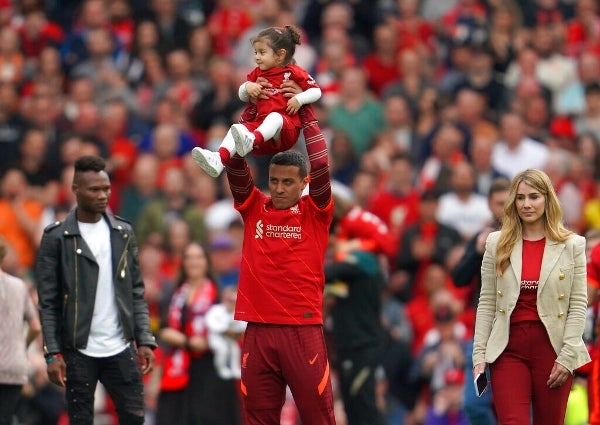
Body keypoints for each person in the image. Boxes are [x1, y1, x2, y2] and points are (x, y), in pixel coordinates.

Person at [221, 101, 336, 424]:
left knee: (319, 417)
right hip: (258, 329)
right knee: (257, 418)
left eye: (288, 182)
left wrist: (307, 117)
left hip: (302, 330)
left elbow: (322, 166)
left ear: (304, 183)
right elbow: (233, 161)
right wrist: (249, 119)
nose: (280, 188)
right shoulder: (254, 206)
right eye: (275, 181)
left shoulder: (316, 212)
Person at [35, 155, 157, 424]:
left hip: (121, 345)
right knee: (80, 420)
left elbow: (136, 291)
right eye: (94, 189)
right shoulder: (56, 237)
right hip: (78, 350)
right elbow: (48, 301)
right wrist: (52, 353)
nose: (103, 196)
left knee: (135, 417)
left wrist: (145, 339)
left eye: (106, 189)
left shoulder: (123, 232)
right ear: (75, 190)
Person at [472, 168, 591, 425]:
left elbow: (578, 304)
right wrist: (479, 356)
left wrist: (568, 356)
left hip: (553, 349)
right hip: (508, 349)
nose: (527, 204)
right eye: (520, 197)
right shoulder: (496, 243)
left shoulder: (573, 245)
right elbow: (487, 303)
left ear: (548, 199)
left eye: (534, 197)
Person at [191, 25, 321, 178]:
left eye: (262, 52)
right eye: (256, 52)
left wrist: (299, 99)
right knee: (237, 128)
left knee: (275, 117)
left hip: (286, 129)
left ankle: (251, 140)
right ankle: (219, 159)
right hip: (263, 130)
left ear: (280, 55)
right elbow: (242, 94)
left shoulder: (294, 73)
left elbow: (316, 91)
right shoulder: (258, 73)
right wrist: (248, 87)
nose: (256, 57)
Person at [324, 248, 387, 425]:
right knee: (351, 407)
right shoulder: (351, 276)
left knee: (364, 405)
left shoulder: (364, 259)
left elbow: (327, 273)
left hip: (362, 347)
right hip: (348, 347)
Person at [0, 236, 41, 425]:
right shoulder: (19, 285)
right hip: (15, 366)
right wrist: (22, 347)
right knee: (6, 417)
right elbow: (35, 327)